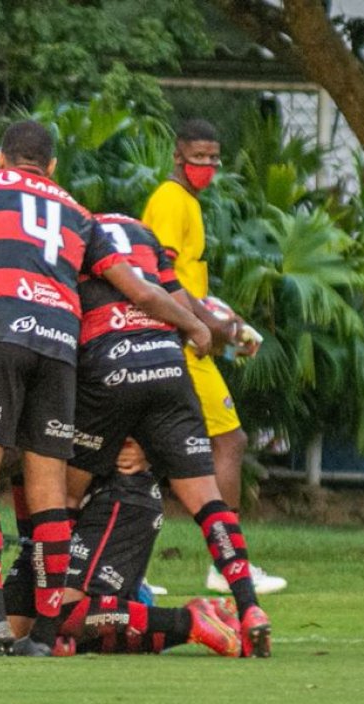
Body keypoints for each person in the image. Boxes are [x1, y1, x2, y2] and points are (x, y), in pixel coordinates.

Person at [0, 120, 215, 656]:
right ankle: (47, 635)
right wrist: (195, 326)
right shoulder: (79, 214)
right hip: (59, 348)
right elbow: (139, 292)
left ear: (2, 157)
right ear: (52, 167)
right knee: (48, 495)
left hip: (0, 334)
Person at [65, 213, 271, 656]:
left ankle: (182, 618)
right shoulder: (144, 237)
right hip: (167, 363)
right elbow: (184, 309)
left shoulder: (71, 236)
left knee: (62, 610)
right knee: (210, 502)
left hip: (107, 362)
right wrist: (217, 329)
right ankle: (248, 606)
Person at [141, 119, 287, 597]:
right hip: (183, 344)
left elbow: (188, 280)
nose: (207, 166)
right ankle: (227, 566)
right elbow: (160, 276)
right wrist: (209, 327)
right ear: (178, 156)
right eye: (198, 157)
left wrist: (227, 320)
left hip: (188, 336)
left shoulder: (188, 203)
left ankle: (123, 569)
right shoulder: (169, 200)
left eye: (213, 158)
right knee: (230, 441)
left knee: (143, 450)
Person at [5, 439, 239, 657]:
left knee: (59, 615)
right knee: (13, 636)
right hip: (56, 507)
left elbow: (174, 412)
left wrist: (151, 446)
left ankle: (187, 621)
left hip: (117, 496)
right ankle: (136, 607)